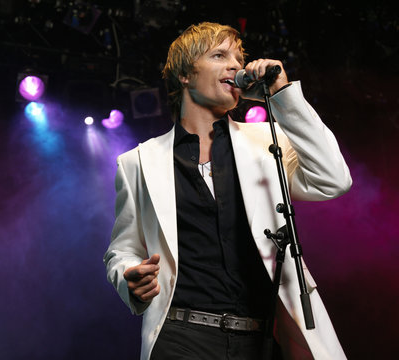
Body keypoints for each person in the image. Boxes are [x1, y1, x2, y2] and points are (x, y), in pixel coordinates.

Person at [104, 22, 352, 360]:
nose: (235, 65)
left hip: (261, 338)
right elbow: (123, 249)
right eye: (219, 55)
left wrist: (282, 95)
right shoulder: (139, 162)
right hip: (180, 335)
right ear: (185, 75)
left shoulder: (268, 140)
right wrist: (129, 277)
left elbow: (333, 179)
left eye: (238, 57)